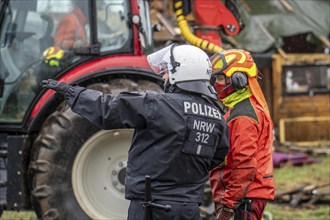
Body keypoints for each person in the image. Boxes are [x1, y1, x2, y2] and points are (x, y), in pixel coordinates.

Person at [42, 44, 229, 220]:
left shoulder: (158, 105)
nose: (164, 77)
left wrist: (73, 93)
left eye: (167, 72)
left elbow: (107, 109)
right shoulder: (217, 117)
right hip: (189, 209)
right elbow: (216, 157)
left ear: (180, 73)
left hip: (152, 207)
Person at [209, 49, 275, 220]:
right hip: (242, 195)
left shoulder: (243, 116)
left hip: (243, 198)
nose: (216, 83)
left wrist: (229, 204)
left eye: (221, 78)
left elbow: (244, 164)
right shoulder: (240, 109)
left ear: (239, 79)